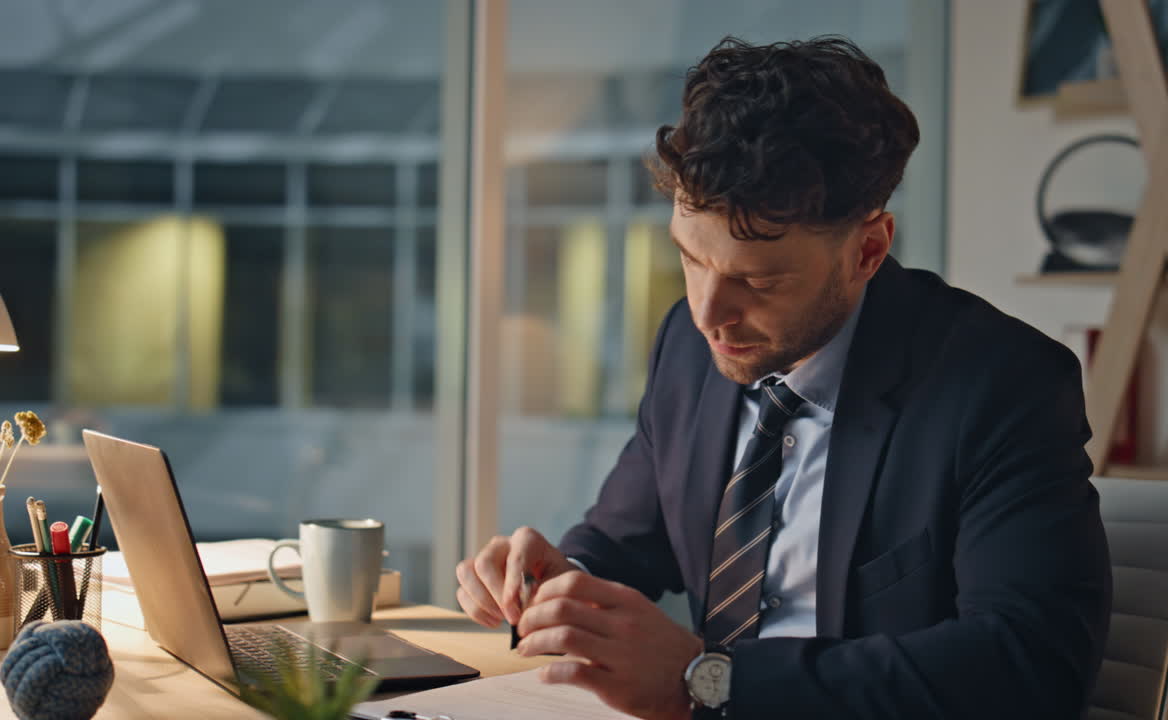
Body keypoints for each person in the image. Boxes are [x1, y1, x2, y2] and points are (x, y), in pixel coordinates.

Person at [455, 36, 1111, 719]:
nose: (710, 312)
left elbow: (1030, 664)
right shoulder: (688, 341)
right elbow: (627, 538)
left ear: (868, 249)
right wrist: (562, 583)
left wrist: (711, 681)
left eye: (758, 280)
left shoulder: (1001, 386)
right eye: (689, 258)